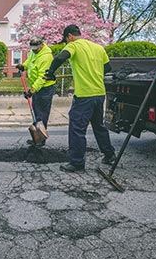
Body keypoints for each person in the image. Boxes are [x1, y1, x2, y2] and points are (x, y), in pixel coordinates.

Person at [44, 24, 116, 172]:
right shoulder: (98, 48)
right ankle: (110, 155)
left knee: (77, 128)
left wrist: (50, 73)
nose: (66, 43)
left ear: (70, 36)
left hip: (84, 95)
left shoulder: (74, 45)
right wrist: (93, 72)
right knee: (99, 126)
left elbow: (60, 57)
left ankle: (77, 162)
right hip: (99, 93)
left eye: (66, 40)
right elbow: (108, 68)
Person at [16, 38, 56, 146]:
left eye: (35, 47)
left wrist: (32, 90)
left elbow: (43, 77)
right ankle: (36, 138)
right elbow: (29, 62)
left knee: (41, 114)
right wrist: (23, 66)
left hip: (45, 88)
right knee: (36, 112)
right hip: (37, 87)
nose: (33, 50)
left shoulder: (46, 57)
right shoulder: (34, 53)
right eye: (31, 47)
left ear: (41, 45)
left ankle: (41, 140)